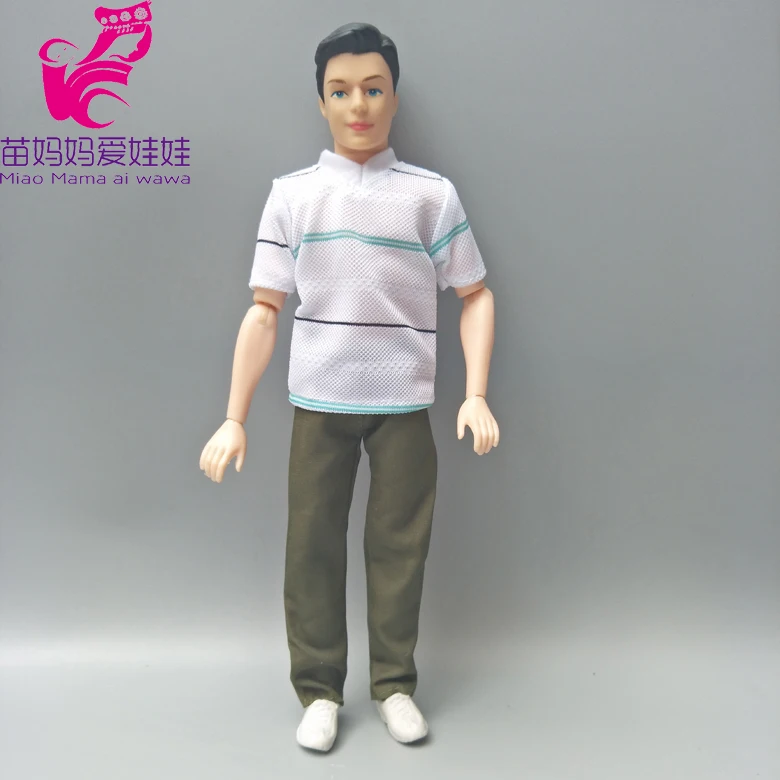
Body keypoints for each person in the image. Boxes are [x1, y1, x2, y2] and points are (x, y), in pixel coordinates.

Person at [199, 22, 499, 752]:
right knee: (311, 545)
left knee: (401, 546)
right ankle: (319, 690)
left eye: (373, 89)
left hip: (404, 403)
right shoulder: (293, 197)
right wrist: (234, 415)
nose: (357, 105)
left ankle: (394, 683)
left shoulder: (429, 196)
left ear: (394, 97)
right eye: (340, 91)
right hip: (320, 401)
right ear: (321, 101)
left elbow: (476, 293)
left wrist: (476, 394)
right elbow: (264, 310)